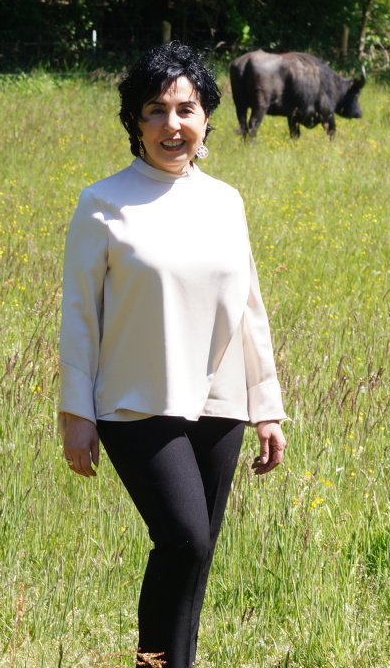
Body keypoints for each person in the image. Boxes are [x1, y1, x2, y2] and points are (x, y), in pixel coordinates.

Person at [58, 41, 288, 668]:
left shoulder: (226, 201)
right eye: (155, 111)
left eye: (185, 109)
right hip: (134, 402)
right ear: (135, 121)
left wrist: (266, 406)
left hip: (220, 401)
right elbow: (80, 315)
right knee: (182, 538)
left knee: (200, 549)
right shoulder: (102, 203)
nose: (172, 125)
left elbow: (249, 307)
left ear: (207, 117)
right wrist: (75, 411)